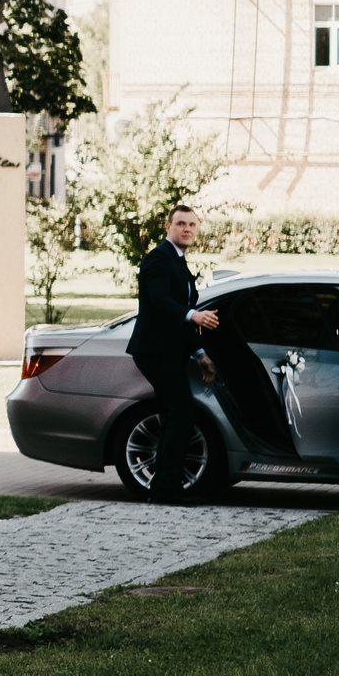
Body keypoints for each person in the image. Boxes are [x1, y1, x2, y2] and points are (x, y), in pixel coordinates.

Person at [127, 203, 216, 503]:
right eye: (181, 224)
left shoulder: (178, 261)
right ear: (168, 227)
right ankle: (166, 488)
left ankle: (165, 487)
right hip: (155, 351)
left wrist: (200, 352)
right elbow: (160, 301)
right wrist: (194, 315)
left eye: (192, 224)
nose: (187, 229)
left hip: (170, 350)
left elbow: (178, 316)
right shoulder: (158, 259)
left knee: (174, 414)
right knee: (180, 412)